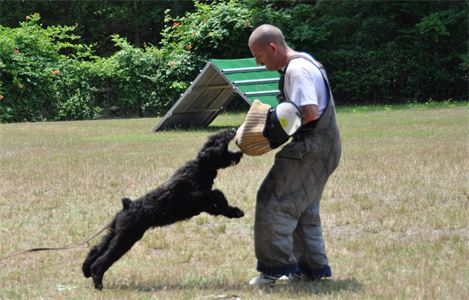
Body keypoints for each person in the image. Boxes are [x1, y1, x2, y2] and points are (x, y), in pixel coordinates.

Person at [248, 24, 342, 285]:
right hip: (326, 145)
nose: (258, 61)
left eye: (259, 55)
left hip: (311, 147)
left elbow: (308, 111)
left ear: (273, 47)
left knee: (272, 200)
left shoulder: (297, 70)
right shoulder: (306, 61)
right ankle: (312, 270)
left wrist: (275, 129)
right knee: (302, 208)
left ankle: (273, 269)